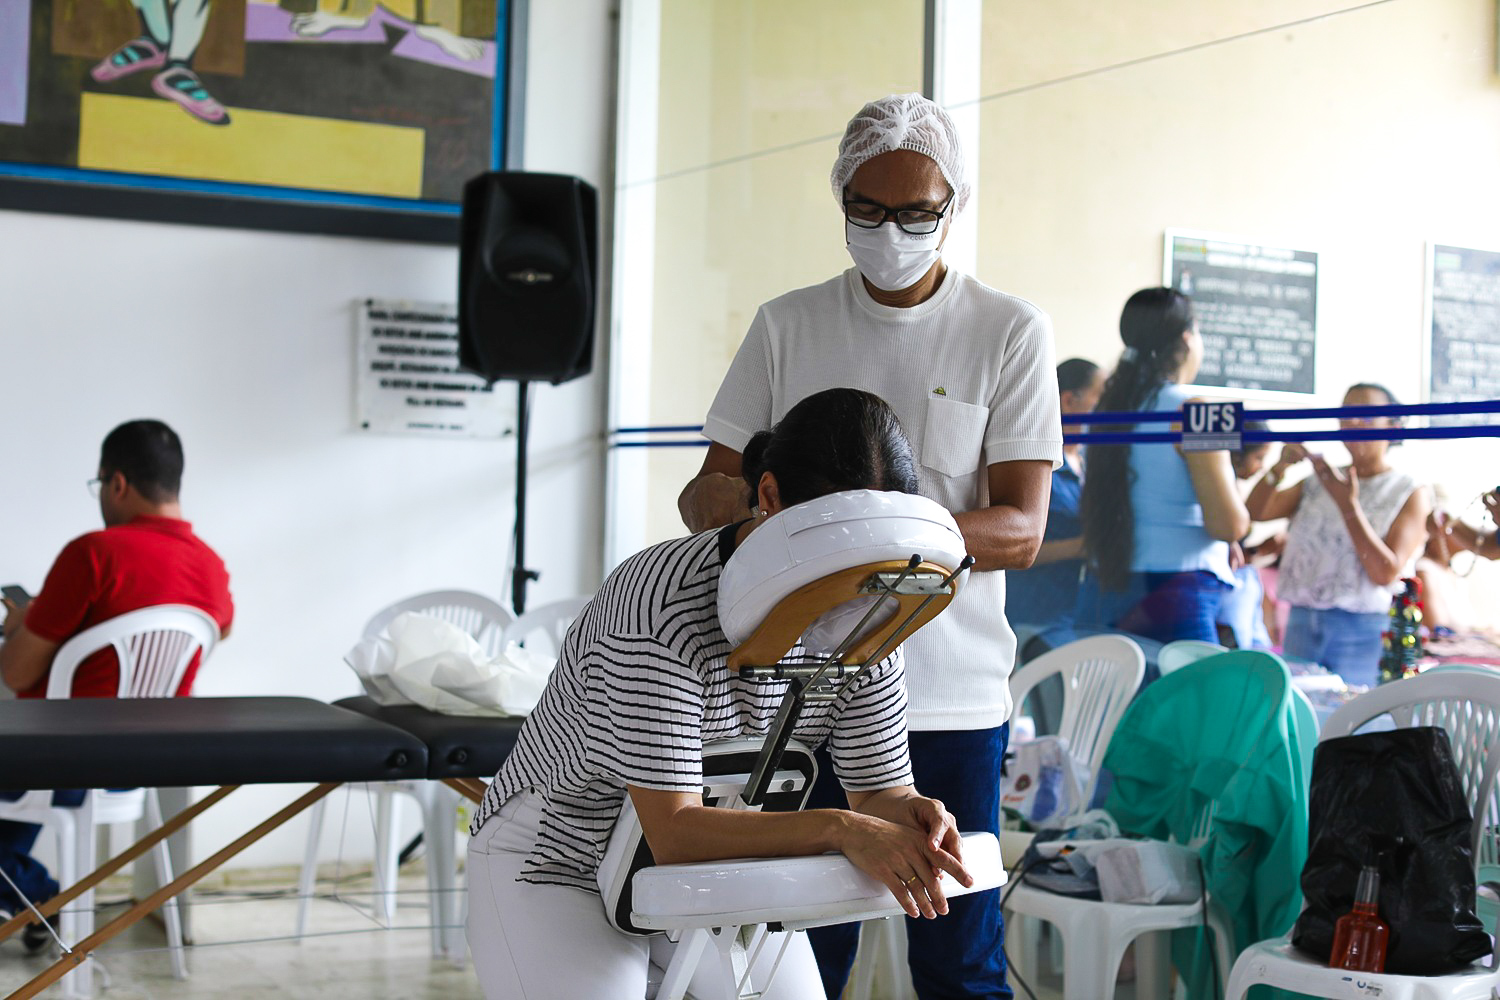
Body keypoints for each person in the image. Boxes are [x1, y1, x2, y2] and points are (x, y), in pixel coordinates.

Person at [678, 93, 1060, 1000]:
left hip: (949, 700)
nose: (892, 232)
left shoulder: (1007, 330)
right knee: (801, 955)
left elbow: (1021, 528)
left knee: (959, 961)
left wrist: (874, 539)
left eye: (917, 213)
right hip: (801, 694)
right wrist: (773, 516)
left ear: (954, 205)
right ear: (841, 199)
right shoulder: (788, 325)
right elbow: (702, 495)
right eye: (869, 209)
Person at [466, 389, 975, 999]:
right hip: (559, 854)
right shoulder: (659, 603)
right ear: (769, 497)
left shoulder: (875, 614)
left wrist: (911, 812)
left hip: (716, 855)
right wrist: (842, 828)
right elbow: (677, 832)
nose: (853, 598)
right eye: (840, 555)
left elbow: (877, 792)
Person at [0, 420, 233, 933]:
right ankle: (37, 901)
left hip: (57, 766)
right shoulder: (212, 569)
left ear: (118, 483)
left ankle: (42, 897)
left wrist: (25, 625)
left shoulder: (93, 554)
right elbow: (209, 631)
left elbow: (15, 672)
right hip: (144, 764)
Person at [1076, 287, 1250, 643]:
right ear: (1187, 338)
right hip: (1177, 595)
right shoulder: (1201, 410)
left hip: (1105, 585)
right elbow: (1229, 525)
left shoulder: (1103, 411)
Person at [1246, 383, 1430, 687]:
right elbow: (1255, 512)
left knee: (1354, 713)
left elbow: (1385, 573)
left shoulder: (1409, 491)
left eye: (1366, 415)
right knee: (1301, 709)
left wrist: (1348, 507)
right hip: (1302, 621)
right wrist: (1279, 467)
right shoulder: (1321, 479)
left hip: (1362, 630)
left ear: (1393, 425)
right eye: (1346, 414)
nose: (1353, 422)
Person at [1005, 358, 1104, 631]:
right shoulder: (1039, 466)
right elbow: (1012, 547)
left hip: (1076, 616)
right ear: (1069, 401)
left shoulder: (1089, 463)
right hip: (1034, 619)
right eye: (1101, 398)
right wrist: (1083, 547)